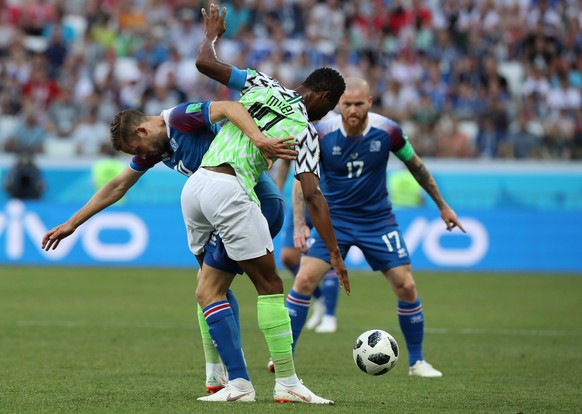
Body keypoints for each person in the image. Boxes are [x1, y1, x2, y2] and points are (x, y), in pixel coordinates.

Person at [40, 98, 297, 394]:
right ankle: (219, 376)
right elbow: (117, 185)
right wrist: (73, 222)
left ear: (142, 130)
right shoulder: (157, 148)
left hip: (255, 204)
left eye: (136, 150)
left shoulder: (179, 118)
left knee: (216, 289)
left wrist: (259, 140)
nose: (140, 157)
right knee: (211, 288)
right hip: (225, 209)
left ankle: (248, 381)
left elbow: (228, 107)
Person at [182, 4, 348, 404]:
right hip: (229, 190)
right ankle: (287, 383)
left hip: (196, 188)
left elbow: (204, 62)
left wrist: (212, 34)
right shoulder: (307, 131)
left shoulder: (261, 82)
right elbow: (311, 194)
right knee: (271, 285)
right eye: (333, 106)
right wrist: (335, 253)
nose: (329, 115)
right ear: (323, 97)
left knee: (209, 289)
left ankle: (226, 381)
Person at [287, 77, 466, 378]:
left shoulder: (388, 131)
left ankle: (417, 362)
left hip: (377, 220)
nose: (353, 110)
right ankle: (284, 359)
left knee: (406, 286)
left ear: (369, 102)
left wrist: (442, 206)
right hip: (334, 220)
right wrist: (300, 223)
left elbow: (417, 167)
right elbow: (302, 179)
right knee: (303, 280)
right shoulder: (320, 133)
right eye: (347, 104)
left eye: (359, 104)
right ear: (337, 105)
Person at [275, 159, 340, 336]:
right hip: (300, 200)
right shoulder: (295, 132)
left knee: (327, 257)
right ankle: (320, 299)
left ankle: (329, 315)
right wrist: (279, 187)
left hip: (325, 201)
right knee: (288, 257)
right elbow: (286, 162)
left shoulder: (327, 133)